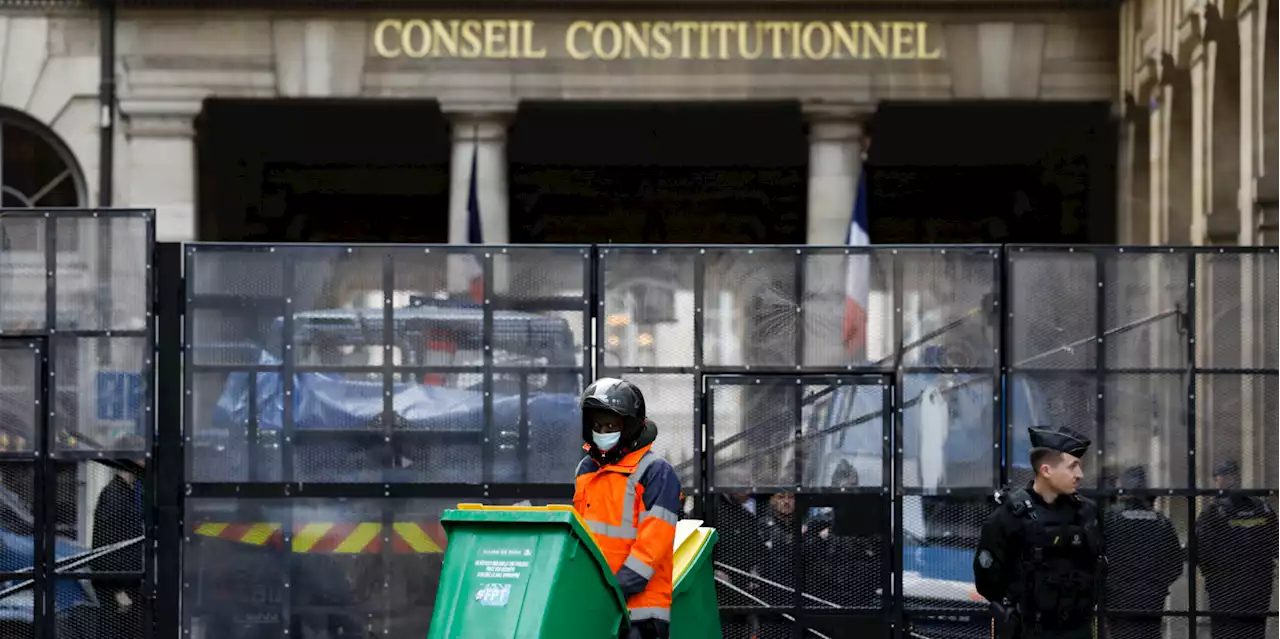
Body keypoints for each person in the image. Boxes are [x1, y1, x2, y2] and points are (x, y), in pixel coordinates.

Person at [573, 378, 682, 639]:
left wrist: (616, 588)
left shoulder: (656, 472)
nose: (602, 431)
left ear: (630, 426)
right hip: (596, 604)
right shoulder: (586, 469)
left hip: (640, 612)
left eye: (610, 425)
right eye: (597, 425)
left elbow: (653, 546)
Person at [972, 426, 1105, 639]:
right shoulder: (1008, 518)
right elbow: (988, 582)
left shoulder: (1088, 515)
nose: (1080, 475)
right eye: (1073, 466)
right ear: (1046, 471)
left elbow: (1099, 569)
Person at [1195, 459, 1280, 639]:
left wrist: (1212, 575)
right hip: (1257, 585)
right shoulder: (1262, 508)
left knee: (1226, 632)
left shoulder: (1213, 512)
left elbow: (1200, 551)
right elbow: (1276, 546)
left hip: (1225, 587)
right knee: (1254, 632)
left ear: (1219, 480)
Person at [1101, 466, 1183, 639]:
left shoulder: (1111, 517)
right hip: (1151, 597)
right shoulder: (1160, 521)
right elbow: (1176, 562)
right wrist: (1157, 584)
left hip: (1119, 596)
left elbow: (1097, 555)